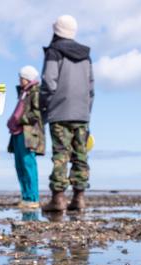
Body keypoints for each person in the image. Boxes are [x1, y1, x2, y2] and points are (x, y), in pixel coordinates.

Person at [40, 15, 94, 212]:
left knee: (61, 155)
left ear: (56, 30)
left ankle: (58, 198)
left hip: (60, 112)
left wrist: (43, 105)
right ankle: (79, 198)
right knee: (81, 155)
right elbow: (91, 87)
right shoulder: (86, 55)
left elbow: (48, 81)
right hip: (82, 113)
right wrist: (87, 111)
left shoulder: (54, 52)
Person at [7, 65, 45, 210]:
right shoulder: (23, 93)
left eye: (21, 78)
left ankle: (33, 198)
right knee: (20, 166)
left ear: (27, 78)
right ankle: (25, 196)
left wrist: (19, 119)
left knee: (28, 165)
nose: (19, 80)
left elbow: (36, 114)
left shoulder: (35, 92)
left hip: (28, 133)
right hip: (18, 133)